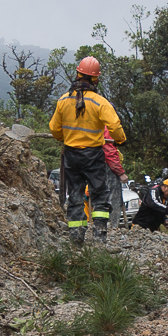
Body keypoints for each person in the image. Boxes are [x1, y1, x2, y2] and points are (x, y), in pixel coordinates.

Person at [47, 57, 126, 244]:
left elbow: (54, 128)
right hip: (93, 155)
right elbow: (114, 125)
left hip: (71, 155)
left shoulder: (64, 100)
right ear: (95, 79)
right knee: (99, 194)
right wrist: (120, 139)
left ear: (78, 74)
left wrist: (62, 138)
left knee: (75, 195)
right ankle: (99, 238)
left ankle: (76, 239)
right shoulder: (100, 102)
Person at [102, 131, 128, 228]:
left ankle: (101, 225)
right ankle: (112, 226)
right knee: (114, 198)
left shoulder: (92, 124)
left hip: (93, 164)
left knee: (100, 197)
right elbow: (109, 152)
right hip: (107, 166)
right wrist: (120, 172)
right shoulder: (107, 128)